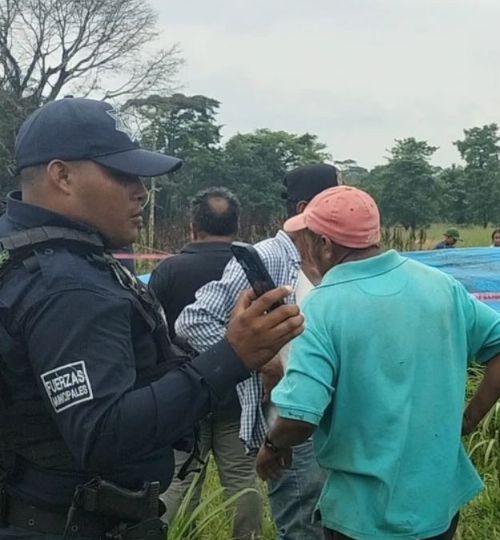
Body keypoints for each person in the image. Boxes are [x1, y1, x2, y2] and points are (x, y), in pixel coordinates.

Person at [0, 97, 303, 539]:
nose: (141, 190)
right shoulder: (68, 284)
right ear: (61, 175)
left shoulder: (20, 247)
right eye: (121, 174)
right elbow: (103, 434)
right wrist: (232, 356)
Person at [255, 186, 500, 540]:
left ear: (325, 244)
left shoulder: (323, 306)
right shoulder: (439, 284)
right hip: (437, 501)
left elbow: (300, 416)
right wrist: (470, 417)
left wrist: (273, 448)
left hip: (363, 512)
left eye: (306, 239)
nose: (302, 248)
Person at [177, 164, 339, 540]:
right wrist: (258, 358)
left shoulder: (327, 259)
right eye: (333, 203)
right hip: (286, 418)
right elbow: (193, 321)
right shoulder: (267, 256)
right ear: (305, 209)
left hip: (326, 416)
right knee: (300, 523)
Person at [148, 188, 262, 538]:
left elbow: (152, 333)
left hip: (184, 396)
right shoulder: (249, 267)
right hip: (239, 395)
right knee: (243, 481)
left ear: (193, 226)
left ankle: (178, 533)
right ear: (237, 225)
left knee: (179, 481)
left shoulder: (168, 270)